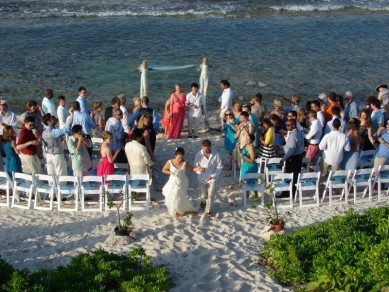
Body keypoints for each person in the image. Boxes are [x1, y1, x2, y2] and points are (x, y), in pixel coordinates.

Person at [161, 147, 202, 218]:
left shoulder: (185, 162)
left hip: (182, 181)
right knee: (174, 195)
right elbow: (163, 170)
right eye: (179, 158)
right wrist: (171, 172)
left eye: (182, 158)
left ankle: (179, 209)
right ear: (175, 156)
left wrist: (198, 169)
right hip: (173, 181)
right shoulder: (170, 162)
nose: (180, 159)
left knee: (180, 197)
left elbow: (192, 169)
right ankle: (175, 211)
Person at [194, 139, 223, 218]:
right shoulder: (198, 155)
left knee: (211, 195)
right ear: (202, 147)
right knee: (203, 195)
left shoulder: (216, 154)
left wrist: (213, 176)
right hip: (202, 178)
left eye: (207, 149)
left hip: (212, 178)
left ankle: (208, 210)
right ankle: (203, 203)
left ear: (210, 147)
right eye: (204, 149)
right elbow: (195, 166)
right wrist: (199, 170)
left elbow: (219, 167)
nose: (206, 151)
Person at [280, 119, 305, 197]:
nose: (287, 127)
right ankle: (292, 193)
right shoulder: (300, 133)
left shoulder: (293, 135)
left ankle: (286, 193)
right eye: (286, 125)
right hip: (299, 157)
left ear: (293, 125)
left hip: (292, 158)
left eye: (288, 125)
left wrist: (283, 159)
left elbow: (291, 150)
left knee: (288, 176)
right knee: (295, 176)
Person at [223, 109, 238, 175]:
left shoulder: (236, 121)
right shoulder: (226, 120)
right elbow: (226, 129)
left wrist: (231, 124)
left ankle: (230, 166)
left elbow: (238, 130)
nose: (228, 116)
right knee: (229, 152)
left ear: (232, 114)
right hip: (228, 137)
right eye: (226, 114)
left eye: (229, 114)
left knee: (231, 152)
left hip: (233, 138)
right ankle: (230, 164)